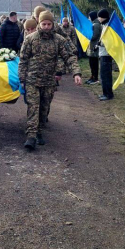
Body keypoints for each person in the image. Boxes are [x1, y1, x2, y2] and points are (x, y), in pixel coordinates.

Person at [19, 10, 82, 150]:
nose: (46, 26)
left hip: (49, 81)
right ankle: (31, 136)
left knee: (44, 108)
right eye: (43, 24)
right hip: (32, 80)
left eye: (49, 24)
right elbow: (23, 60)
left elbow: (70, 57)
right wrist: (22, 79)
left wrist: (76, 73)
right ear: (39, 24)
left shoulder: (59, 40)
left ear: (52, 24)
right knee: (33, 107)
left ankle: (39, 131)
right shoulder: (30, 39)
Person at [96, 9, 114, 101]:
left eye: (99, 16)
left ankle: (108, 94)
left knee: (105, 75)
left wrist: (100, 44)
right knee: (104, 75)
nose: (98, 18)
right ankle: (106, 93)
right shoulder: (104, 26)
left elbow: (109, 42)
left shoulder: (107, 27)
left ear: (103, 17)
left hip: (106, 55)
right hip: (103, 54)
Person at [86, 11, 102, 85]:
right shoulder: (94, 24)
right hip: (92, 47)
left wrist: (87, 37)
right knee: (91, 63)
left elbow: (95, 36)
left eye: (89, 17)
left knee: (94, 63)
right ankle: (92, 76)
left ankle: (95, 78)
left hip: (94, 47)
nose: (88, 18)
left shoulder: (96, 25)